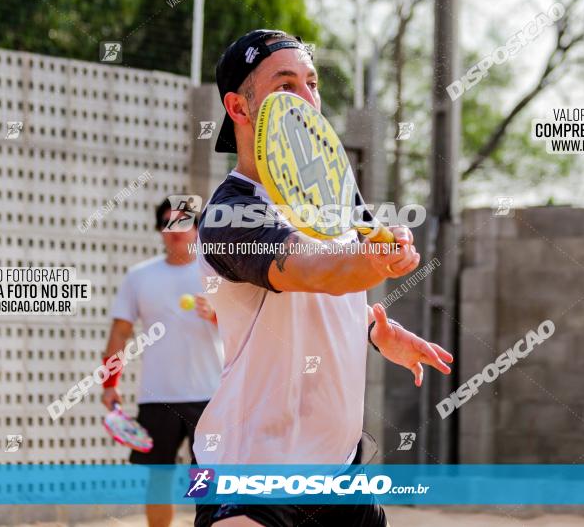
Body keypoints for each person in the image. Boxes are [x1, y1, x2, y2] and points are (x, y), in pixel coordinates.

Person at [194, 30, 454, 527]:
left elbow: (328, 295)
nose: (307, 99)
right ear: (239, 106)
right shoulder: (232, 213)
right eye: (286, 84)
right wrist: (375, 259)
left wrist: (375, 332)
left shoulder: (329, 203)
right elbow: (314, 271)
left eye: (312, 84)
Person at [101, 198, 223, 527]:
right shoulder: (139, 277)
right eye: (168, 224)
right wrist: (109, 385)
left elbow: (249, 327)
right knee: (159, 480)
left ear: (197, 229)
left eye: (184, 223)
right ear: (159, 230)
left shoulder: (217, 273)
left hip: (209, 396)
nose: (176, 232)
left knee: (206, 480)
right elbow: (119, 333)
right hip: (157, 397)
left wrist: (216, 315)